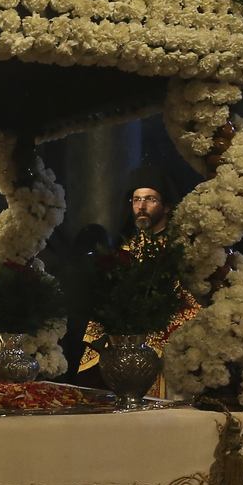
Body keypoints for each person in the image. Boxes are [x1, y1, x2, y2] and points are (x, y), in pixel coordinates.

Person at [76, 165, 202, 397]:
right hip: (122, 346)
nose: (141, 207)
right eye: (136, 200)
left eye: (150, 199)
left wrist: (155, 335)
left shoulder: (182, 251)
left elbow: (193, 303)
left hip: (167, 349)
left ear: (166, 206)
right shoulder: (124, 251)